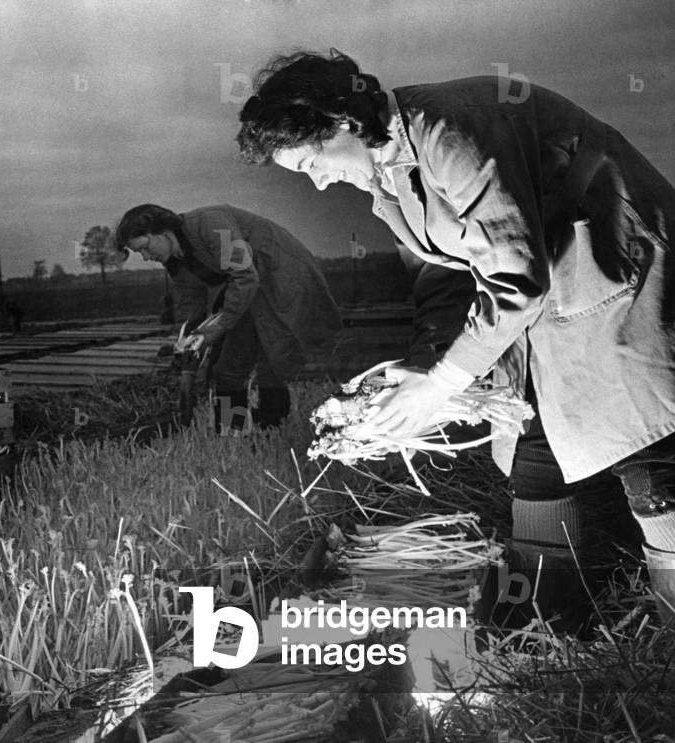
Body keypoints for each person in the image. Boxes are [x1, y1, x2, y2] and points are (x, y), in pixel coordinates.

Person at [237, 50, 674, 629]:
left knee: (646, 451)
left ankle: (664, 648)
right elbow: (442, 273)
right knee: (531, 441)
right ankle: (551, 623)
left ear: (339, 120)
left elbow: (515, 272)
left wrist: (444, 383)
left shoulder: (451, 129)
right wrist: (425, 366)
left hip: (612, 267)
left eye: (311, 162)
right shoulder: (387, 178)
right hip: (542, 299)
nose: (318, 184)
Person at [117, 203, 342, 432]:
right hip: (244, 292)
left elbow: (244, 275)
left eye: (145, 247)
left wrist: (221, 324)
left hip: (279, 277)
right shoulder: (176, 263)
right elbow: (193, 305)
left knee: (273, 355)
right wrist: (190, 342)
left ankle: (273, 425)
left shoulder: (211, 224)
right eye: (139, 253)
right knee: (227, 368)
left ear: (163, 232)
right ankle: (233, 432)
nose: (145, 257)